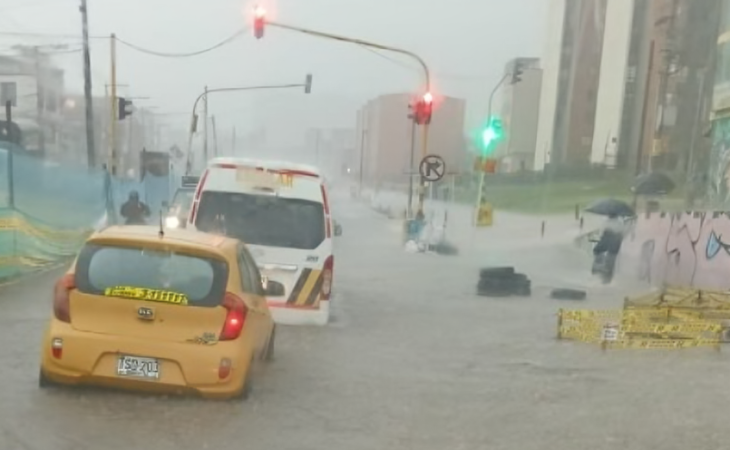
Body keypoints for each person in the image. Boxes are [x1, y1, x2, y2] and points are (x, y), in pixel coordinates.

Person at [592, 213, 625, 283]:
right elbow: (622, 234)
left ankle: (598, 265)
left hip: (606, 242)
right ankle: (609, 271)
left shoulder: (606, 222)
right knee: (612, 255)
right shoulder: (620, 223)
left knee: (596, 250)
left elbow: (601, 234)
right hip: (615, 244)